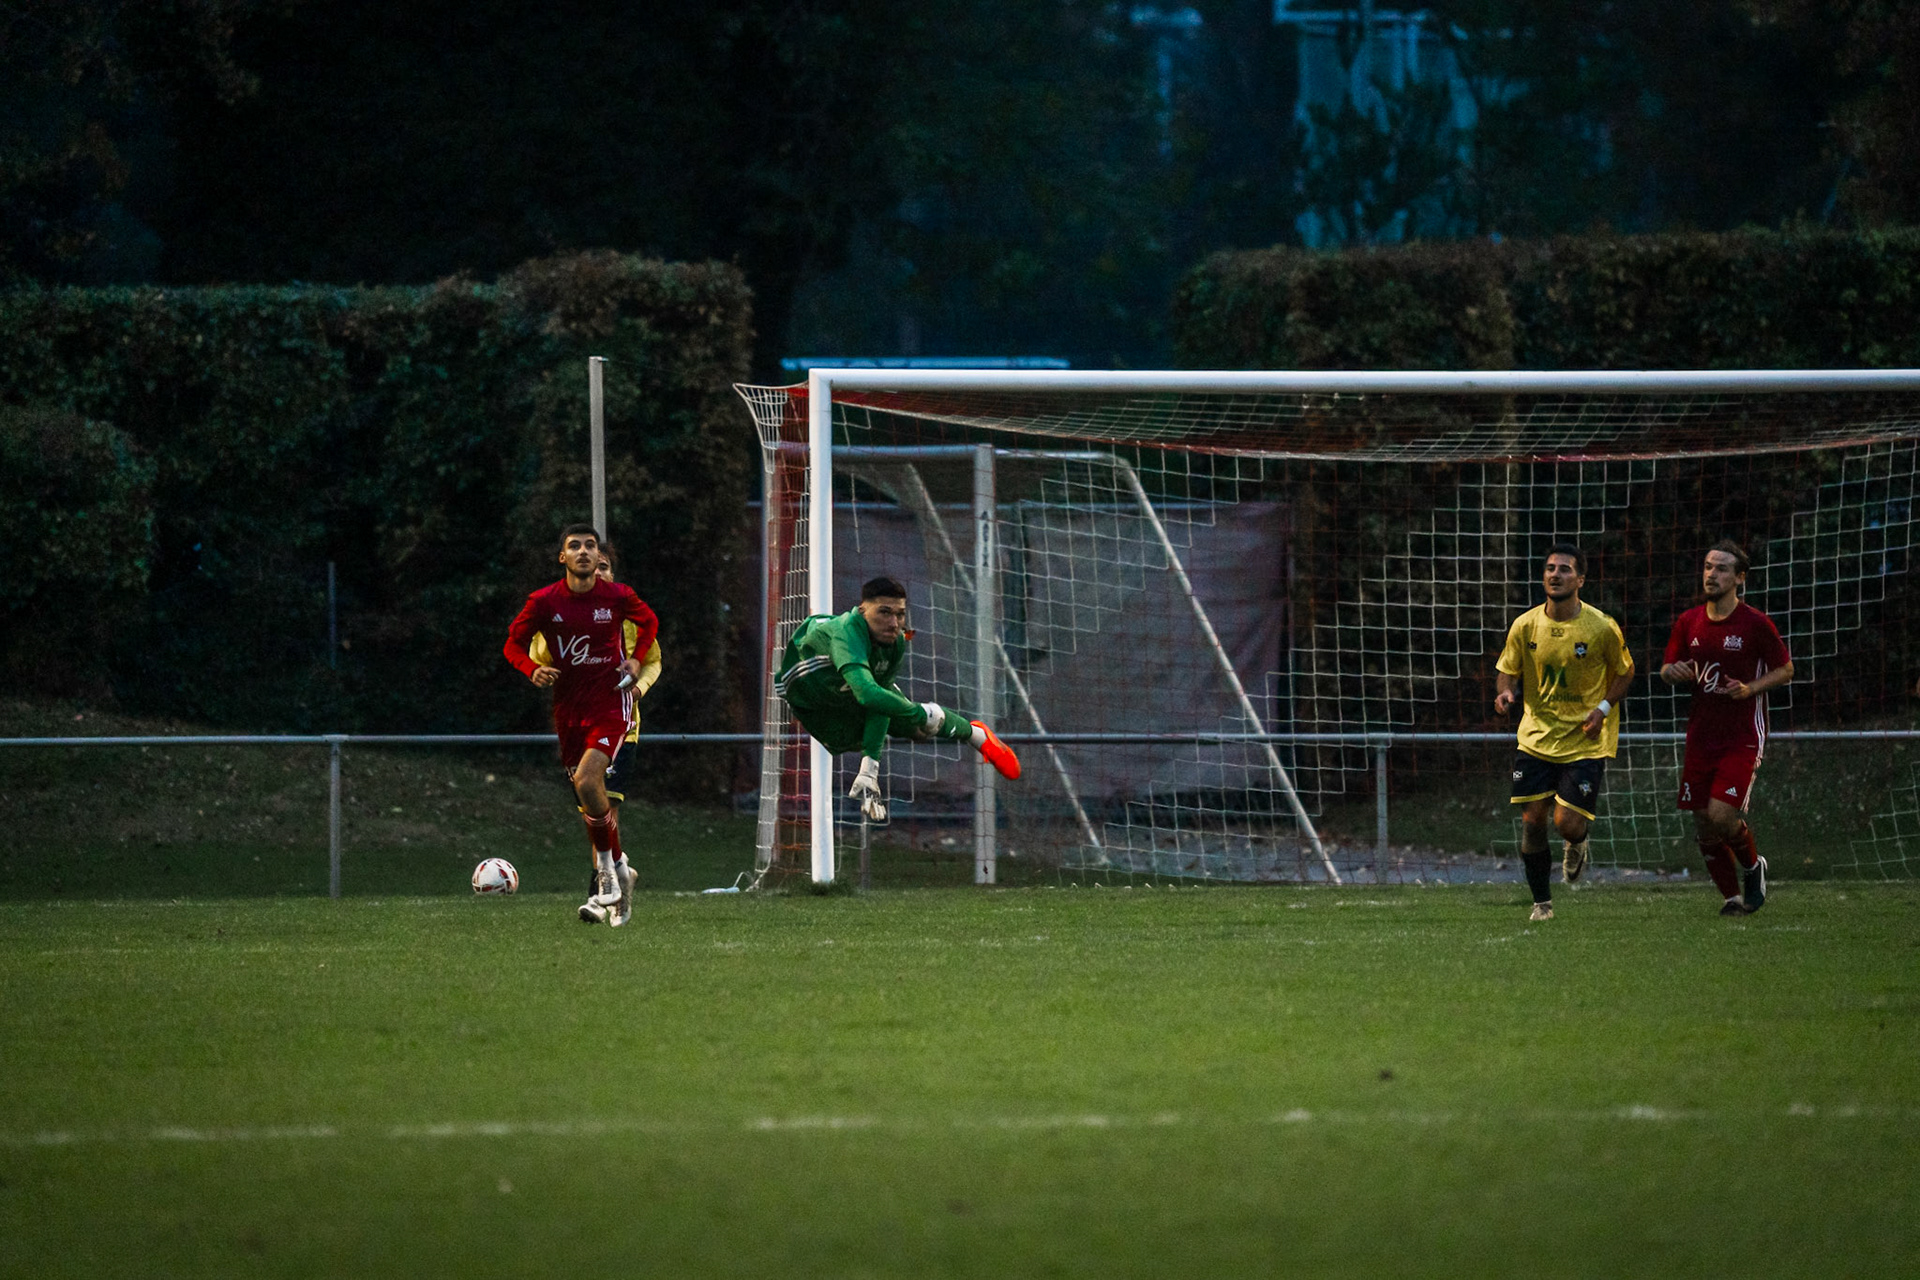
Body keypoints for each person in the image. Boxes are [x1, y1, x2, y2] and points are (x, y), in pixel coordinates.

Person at [504, 524, 659, 926]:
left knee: (592, 783)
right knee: (588, 795)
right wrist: (531, 670)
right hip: (570, 711)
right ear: (563, 558)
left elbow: (651, 626)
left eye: (591, 547)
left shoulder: (619, 599)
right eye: (576, 546)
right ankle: (622, 874)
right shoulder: (544, 602)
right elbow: (513, 644)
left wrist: (637, 660)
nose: (585, 553)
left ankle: (605, 879)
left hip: (614, 705)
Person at [776, 575, 1020, 824]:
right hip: (807, 694)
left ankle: (976, 735)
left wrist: (869, 769)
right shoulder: (845, 633)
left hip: (843, 691)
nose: (894, 623)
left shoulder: (895, 642)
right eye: (884, 612)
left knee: (918, 730)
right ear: (862, 610)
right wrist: (920, 712)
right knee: (911, 719)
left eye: (900, 614)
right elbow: (868, 694)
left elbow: (878, 700)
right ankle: (950, 723)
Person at [1494, 542, 1636, 921]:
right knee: (1532, 820)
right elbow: (1507, 668)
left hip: (1585, 740)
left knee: (1567, 824)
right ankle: (1542, 904)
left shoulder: (1601, 626)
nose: (1556, 574)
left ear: (1581, 579)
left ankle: (1578, 842)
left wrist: (1603, 709)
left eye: (1565, 569)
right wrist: (1505, 691)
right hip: (1537, 737)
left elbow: (1625, 672)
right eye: (1550, 568)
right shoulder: (1525, 625)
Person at [1659, 541, 1793, 917]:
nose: (1711, 574)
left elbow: (1786, 670)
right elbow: (1667, 669)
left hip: (1742, 737)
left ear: (1740, 578)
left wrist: (1751, 688)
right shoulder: (1689, 621)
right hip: (1701, 736)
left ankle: (1753, 867)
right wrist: (1675, 672)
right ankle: (1732, 898)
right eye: (1707, 566)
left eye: (1720, 569)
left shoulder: (1754, 623)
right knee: (1703, 824)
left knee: (1721, 816)